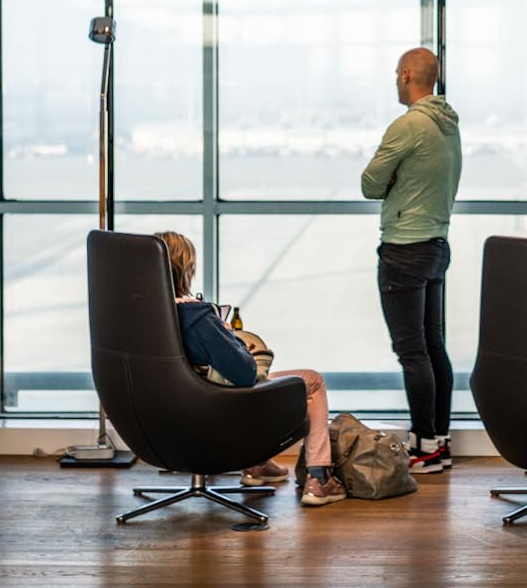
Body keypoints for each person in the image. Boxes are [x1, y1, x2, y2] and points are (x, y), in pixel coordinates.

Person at [150, 231, 345, 507]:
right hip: (210, 417)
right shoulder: (197, 318)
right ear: (187, 270)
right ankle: (320, 480)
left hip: (162, 424)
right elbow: (244, 374)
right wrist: (229, 337)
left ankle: (259, 465)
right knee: (311, 381)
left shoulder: (134, 319)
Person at [360, 47, 462, 474]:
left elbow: (369, 183)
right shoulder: (449, 126)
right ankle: (439, 439)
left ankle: (423, 445)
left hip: (404, 249)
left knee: (412, 352)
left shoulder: (408, 126)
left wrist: (394, 180)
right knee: (433, 345)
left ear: (406, 75)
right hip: (437, 246)